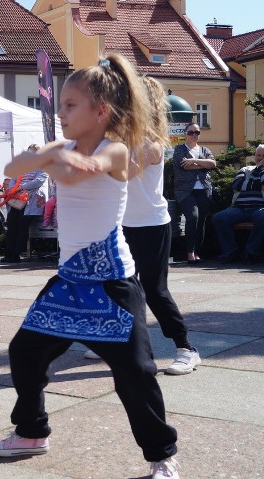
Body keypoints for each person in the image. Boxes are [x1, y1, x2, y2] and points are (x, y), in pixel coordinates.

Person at [0, 54, 180, 479]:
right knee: (24, 353)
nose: (61, 112)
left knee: (136, 373)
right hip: (69, 281)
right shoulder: (64, 147)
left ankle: (161, 455)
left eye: (71, 105)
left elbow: (82, 172)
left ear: (101, 111)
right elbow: (9, 170)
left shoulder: (116, 149)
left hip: (112, 284)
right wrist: (47, 153)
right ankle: (32, 432)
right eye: (62, 104)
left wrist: (49, 154)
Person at [90, 76, 199, 376]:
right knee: (117, 285)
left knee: (154, 290)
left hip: (152, 225)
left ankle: (186, 349)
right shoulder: (119, 138)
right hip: (123, 225)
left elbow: (122, 175)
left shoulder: (152, 144)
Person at [212, 144, 264, 263]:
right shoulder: (245, 169)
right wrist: (257, 180)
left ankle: (251, 252)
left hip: (260, 208)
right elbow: (237, 185)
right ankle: (230, 251)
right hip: (238, 208)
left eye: (263, 156)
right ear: (254, 156)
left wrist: (259, 171)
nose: (260, 158)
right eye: (258, 155)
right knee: (218, 218)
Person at [173, 122, 215, 264]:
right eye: (191, 132)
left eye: (196, 132)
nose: (194, 135)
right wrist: (203, 165)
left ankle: (197, 251)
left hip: (204, 189)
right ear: (185, 134)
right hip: (185, 191)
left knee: (201, 219)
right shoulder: (179, 149)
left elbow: (212, 164)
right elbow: (183, 166)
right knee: (193, 217)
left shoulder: (204, 149)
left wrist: (194, 161)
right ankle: (190, 252)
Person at [1, 146, 48, 263]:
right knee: (12, 226)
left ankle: (16, 254)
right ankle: (8, 254)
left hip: (31, 200)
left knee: (22, 226)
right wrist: (13, 188)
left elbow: (38, 181)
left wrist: (22, 187)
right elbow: (13, 179)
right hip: (17, 199)